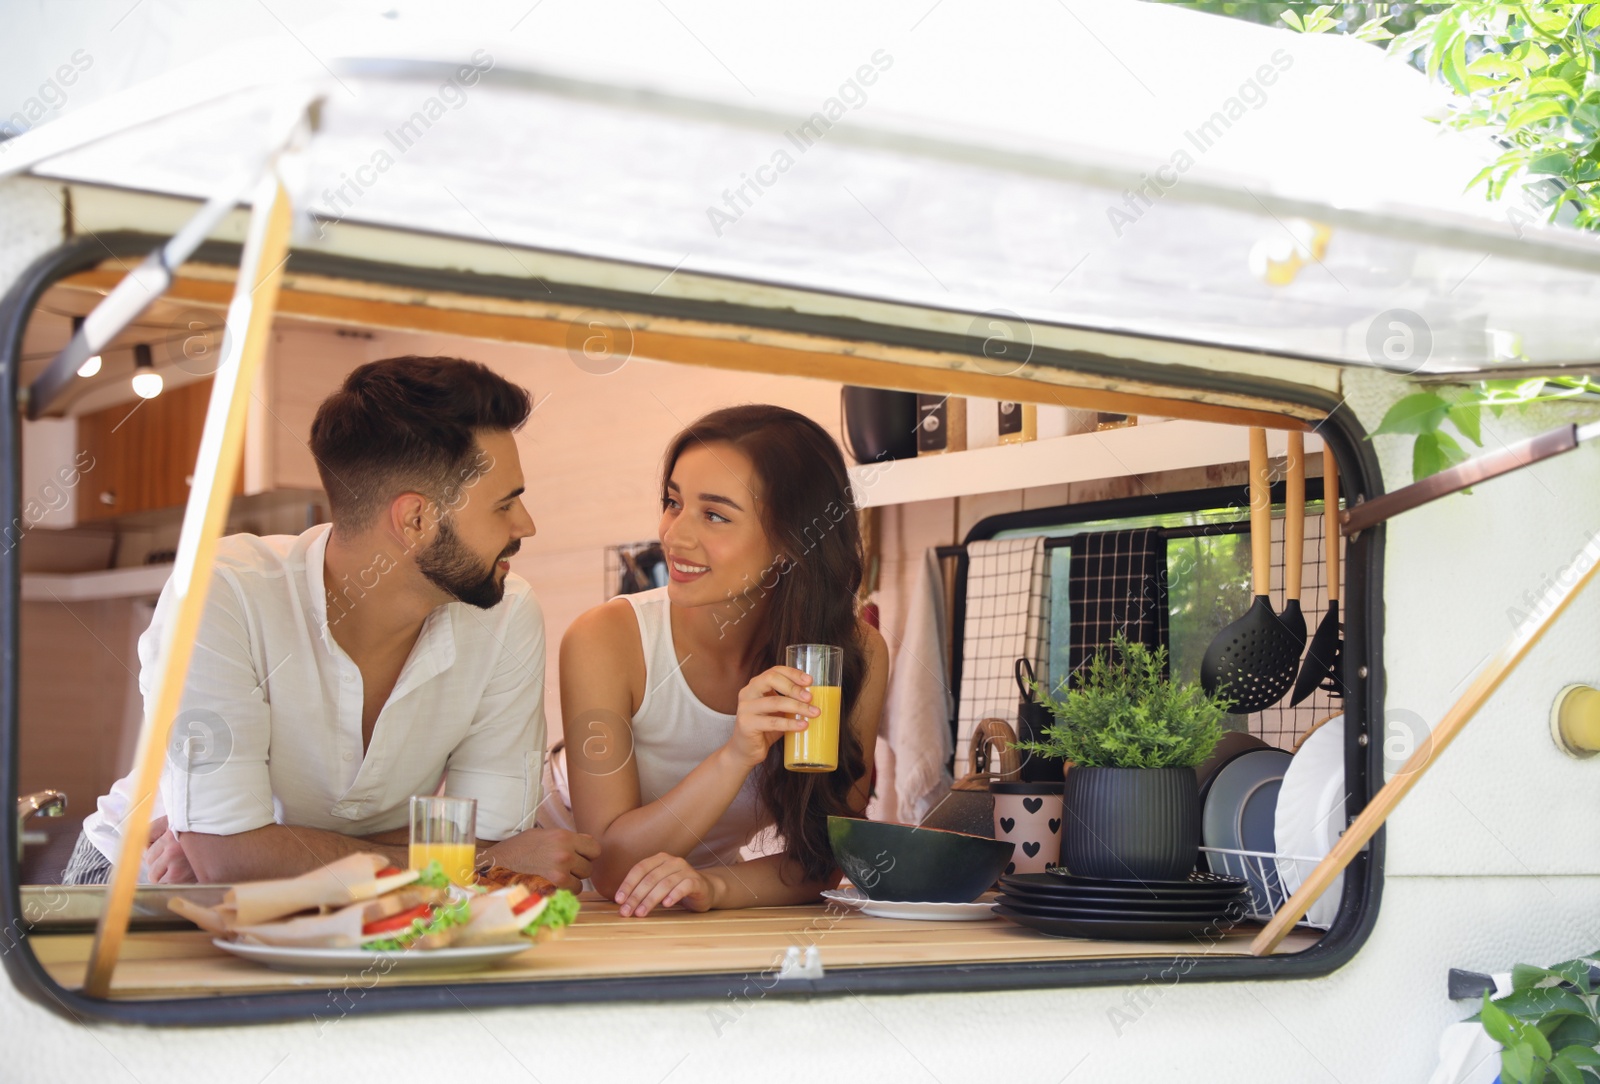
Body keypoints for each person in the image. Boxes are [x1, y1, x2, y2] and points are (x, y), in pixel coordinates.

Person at [64, 356, 599, 890]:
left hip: (359, 897)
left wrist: (265, 846)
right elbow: (228, 867)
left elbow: (493, 838)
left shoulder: (505, 613)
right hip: (141, 881)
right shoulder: (221, 592)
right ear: (415, 520)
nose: (525, 525)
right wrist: (241, 850)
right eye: (504, 506)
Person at [551, 404, 888, 916]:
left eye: (714, 515)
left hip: (680, 905)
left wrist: (715, 888)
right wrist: (734, 756)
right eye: (672, 502)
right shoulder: (607, 639)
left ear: (790, 541)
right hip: (562, 901)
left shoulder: (851, 654)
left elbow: (826, 854)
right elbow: (610, 867)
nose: (674, 535)